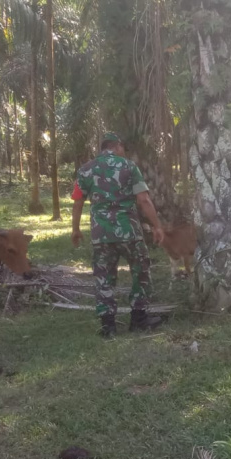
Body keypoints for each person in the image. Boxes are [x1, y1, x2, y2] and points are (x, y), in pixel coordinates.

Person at [71, 132, 166, 338]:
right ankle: (139, 319)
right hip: (129, 230)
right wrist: (157, 226)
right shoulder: (128, 166)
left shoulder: (85, 170)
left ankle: (108, 327)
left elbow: (78, 202)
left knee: (104, 277)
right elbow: (143, 200)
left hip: (101, 233)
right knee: (140, 271)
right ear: (118, 146)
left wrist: (75, 229)